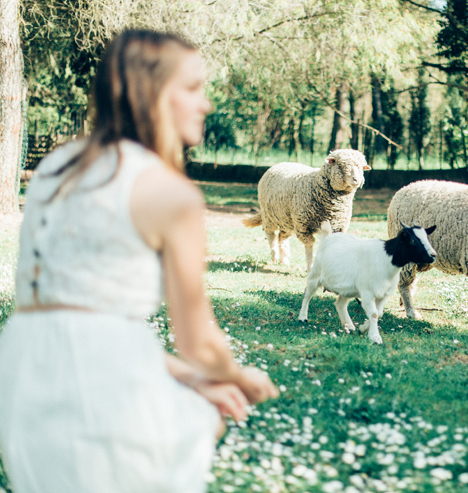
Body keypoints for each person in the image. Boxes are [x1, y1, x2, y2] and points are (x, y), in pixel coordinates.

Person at [0, 29, 279, 493]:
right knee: (202, 424)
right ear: (152, 94)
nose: (205, 104)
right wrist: (237, 374)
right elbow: (199, 341)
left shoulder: (55, 169)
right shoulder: (170, 193)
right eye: (191, 88)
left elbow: (77, 317)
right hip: (100, 393)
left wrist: (189, 378)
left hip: (21, 380)